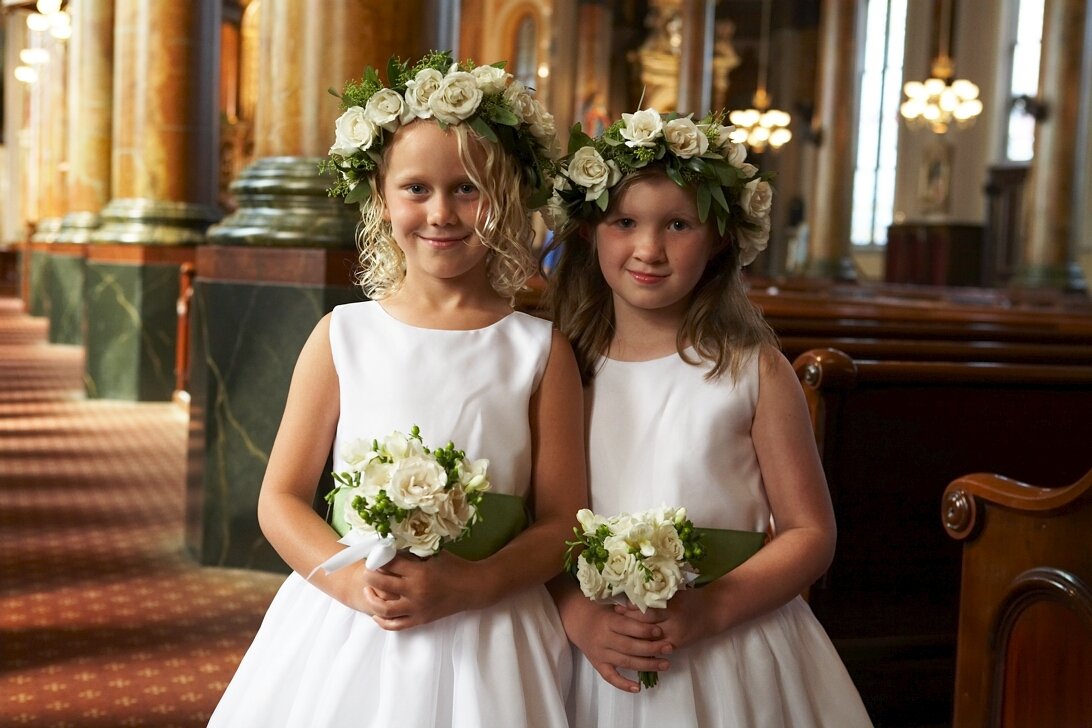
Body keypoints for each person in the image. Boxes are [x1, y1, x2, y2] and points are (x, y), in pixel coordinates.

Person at [209, 51, 586, 728]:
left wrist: (472, 583)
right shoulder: (342, 336)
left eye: (468, 188)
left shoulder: (539, 352)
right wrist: (348, 582)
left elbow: (562, 522)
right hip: (352, 617)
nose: (442, 212)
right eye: (416, 188)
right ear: (381, 200)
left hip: (491, 623)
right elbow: (281, 498)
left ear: (505, 197)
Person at [545, 108, 873, 727]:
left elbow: (810, 533)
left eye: (678, 224)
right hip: (592, 647)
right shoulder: (561, 368)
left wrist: (708, 610)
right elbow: (539, 523)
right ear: (591, 231)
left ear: (721, 236)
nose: (649, 249)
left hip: (731, 649)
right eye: (625, 222)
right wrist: (573, 610)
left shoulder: (752, 371)